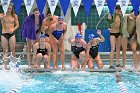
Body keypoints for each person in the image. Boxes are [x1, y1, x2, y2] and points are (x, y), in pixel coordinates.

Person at [0, 4, 19, 69]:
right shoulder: (2, 15)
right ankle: (5, 66)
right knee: (5, 51)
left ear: (12, 9)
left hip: (12, 34)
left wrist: (13, 29)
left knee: (13, 50)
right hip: (4, 34)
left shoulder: (14, 16)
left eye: (10, 8)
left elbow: (17, 25)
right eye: (7, 8)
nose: (8, 10)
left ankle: (13, 65)